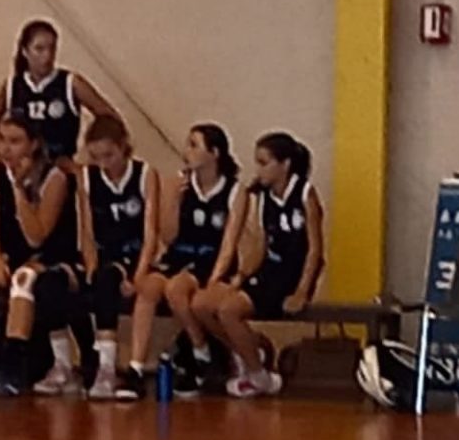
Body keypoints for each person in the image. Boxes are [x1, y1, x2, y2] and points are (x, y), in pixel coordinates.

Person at [117, 124, 246, 402]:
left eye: (194, 145)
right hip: (180, 256)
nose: (187, 151)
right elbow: (168, 235)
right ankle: (136, 366)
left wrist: (215, 278)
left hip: (210, 261)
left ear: (214, 152)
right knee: (148, 288)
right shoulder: (180, 184)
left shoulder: (235, 191)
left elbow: (229, 243)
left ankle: (201, 351)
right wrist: (173, 200)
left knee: (176, 289)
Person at [193, 132, 323, 399]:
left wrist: (302, 291)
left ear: (284, 165)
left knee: (229, 311)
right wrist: (241, 276)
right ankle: (250, 352)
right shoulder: (263, 198)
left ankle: (258, 375)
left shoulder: (305, 194)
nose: (258, 170)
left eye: (264, 163)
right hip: (269, 272)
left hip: (292, 275)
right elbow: (261, 246)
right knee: (201, 304)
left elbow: (315, 250)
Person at [0, 111, 85, 397]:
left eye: (15, 141)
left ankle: (14, 363)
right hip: (11, 254)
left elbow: (36, 236)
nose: (5, 149)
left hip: (51, 257)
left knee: (23, 279)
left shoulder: (54, 177)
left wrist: (18, 190)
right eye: (2, 140)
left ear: (33, 144)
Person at [77, 116, 160, 400]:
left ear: (124, 147)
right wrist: (90, 264)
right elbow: (87, 231)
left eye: (109, 155)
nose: (104, 164)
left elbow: (150, 232)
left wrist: (138, 275)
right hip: (105, 256)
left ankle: (108, 367)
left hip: (135, 256)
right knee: (85, 282)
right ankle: (83, 362)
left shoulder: (145, 174)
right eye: (96, 157)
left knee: (109, 280)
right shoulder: (87, 178)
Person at [0, 19, 120, 168]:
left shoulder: (70, 83)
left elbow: (109, 117)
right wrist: (3, 152)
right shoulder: (13, 85)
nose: (47, 56)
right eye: (39, 49)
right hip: (25, 168)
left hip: (60, 167)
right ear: (25, 51)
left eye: (52, 48)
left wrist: (93, 155)